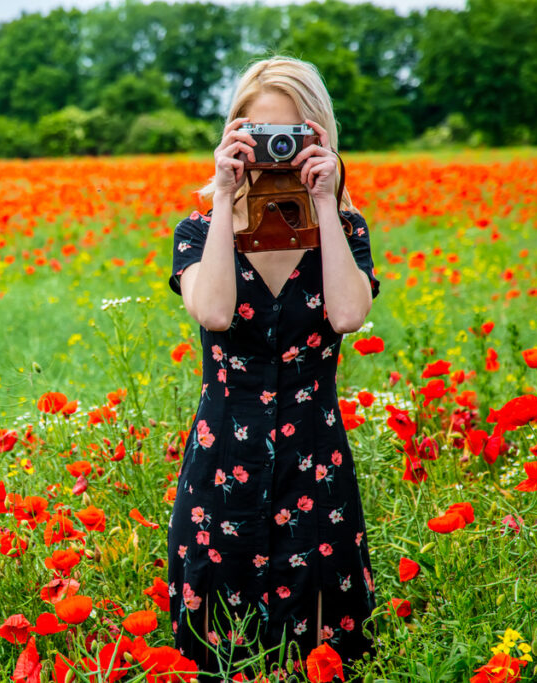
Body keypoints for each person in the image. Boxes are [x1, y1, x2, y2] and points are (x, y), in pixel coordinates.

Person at [166, 56, 381, 682]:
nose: (276, 153)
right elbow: (212, 311)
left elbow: (346, 315)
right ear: (235, 139)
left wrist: (326, 198)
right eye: (261, 137)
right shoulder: (199, 231)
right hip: (220, 476)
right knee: (216, 658)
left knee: (321, 652)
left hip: (316, 471)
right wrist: (228, 194)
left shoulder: (345, 230)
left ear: (320, 138)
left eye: (292, 137)